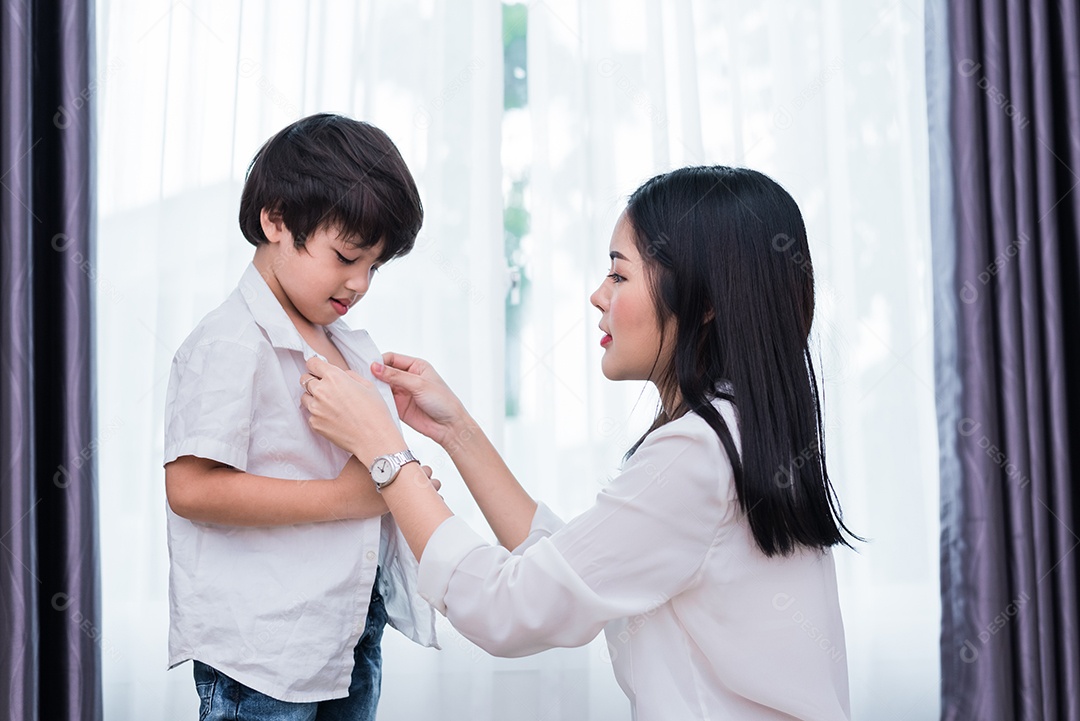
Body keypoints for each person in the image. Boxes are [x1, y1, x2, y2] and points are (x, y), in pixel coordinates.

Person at [300, 165, 857, 720]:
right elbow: (574, 565)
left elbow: (507, 606)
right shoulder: (732, 432)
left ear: (704, 300)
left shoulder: (697, 454)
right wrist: (456, 431)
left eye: (619, 275)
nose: (597, 295)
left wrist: (384, 451)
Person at [162, 113, 439, 720]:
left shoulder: (341, 341)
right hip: (263, 652)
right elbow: (189, 488)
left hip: (345, 630)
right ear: (276, 220)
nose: (360, 283)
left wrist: (398, 485)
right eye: (346, 256)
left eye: (375, 266)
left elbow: (362, 471)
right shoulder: (232, 341)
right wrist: (349, 497)